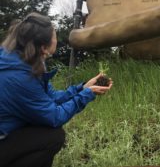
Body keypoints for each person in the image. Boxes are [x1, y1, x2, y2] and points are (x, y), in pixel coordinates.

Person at [0, 12, 113, 167]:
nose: (57, 39)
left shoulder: (24, 62)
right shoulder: (18, 77)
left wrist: (83, 87)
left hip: (8, 132)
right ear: (43, 47)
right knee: (52, 137)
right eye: (54, 36)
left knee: (48, 133)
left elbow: (50, 98)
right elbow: (54, 116)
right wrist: (87, 94)